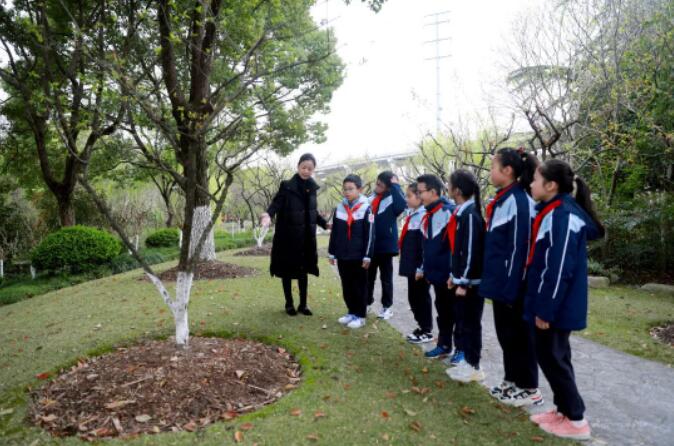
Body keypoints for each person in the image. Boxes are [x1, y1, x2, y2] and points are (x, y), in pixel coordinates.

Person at [525, 159, 604, 441]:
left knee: (554, 359)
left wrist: (546, 310)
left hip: (557, 306)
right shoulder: (551, 211)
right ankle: (563, 411)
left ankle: (577, 420)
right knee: (553, 357)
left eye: (535, 179)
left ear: (551, 185)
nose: (531, 184)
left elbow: (559, 269)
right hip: (551, 302)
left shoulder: (562, 216)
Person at [479, 147, 544, 407]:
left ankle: (529, 387)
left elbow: (520, 248)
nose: (490, 172)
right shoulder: (502, 200)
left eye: (493, 167)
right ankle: (512, 379)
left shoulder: (519, 201)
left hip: (514, 285)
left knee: (520, 336)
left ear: (507, 170)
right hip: (500, 282)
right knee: (506, 334)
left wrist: (512, 286)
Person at [261, 153, 327, 316]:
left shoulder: (312, 188)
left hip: (305, 239)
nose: (306, 171)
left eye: (310, 169)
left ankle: (303, 305)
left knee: (303, 272)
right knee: (287, 271)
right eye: (304, 167)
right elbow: (276, 203)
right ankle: (289, 304)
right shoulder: (287, 186)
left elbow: (313, 212)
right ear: (298, 166)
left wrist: (325, 224)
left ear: (313, 170)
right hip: (288, 238)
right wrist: (268, 214)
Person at [445, 170, 486, 383]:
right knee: (463, 322)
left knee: (471, 324)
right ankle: (468, 363)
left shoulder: (470, 215)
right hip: (463, 280)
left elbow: (470, 251)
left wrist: (463, 281)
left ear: (457, 190)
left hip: (471, 283)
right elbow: (458, 251)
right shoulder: (463, 212)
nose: (447, 187)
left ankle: (474, 366)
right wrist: (454, 275)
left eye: (449, 184)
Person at [415, 174, 457, 360]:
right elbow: (427, 247)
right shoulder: (428, 215)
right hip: (436, 275)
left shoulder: (450, 212)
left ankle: (462, 351)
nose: (419, 196)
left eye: (420, 192)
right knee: (443, 312)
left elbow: (457, 247)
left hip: (450, 277)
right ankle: (444, 345)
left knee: (457, 314)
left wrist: (455, 273)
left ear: (433, 192)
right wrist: (423, 268)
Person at [328, 174, 374, 329]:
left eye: (351, 189)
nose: (347, 192)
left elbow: (370, 234)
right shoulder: (339, 208)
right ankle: (351, 312)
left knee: (359, 286)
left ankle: (360, 316)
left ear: (359, 190)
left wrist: (367, 256)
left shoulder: (366, 208)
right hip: (343, 255)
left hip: (359, 256)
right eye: (345, 189)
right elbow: (335, 232)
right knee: (347, 286)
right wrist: (332, 252)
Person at [367, 171, 406, 320]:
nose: (377, 187)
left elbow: (401, 206)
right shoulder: (371, 198)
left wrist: (395, 185)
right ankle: (367, 303)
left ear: (388, 187)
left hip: (386, 246)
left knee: (386, 279)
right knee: (368, 277)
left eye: (381, 185)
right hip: (371, 245)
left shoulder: (393, 198)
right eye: (376, 183)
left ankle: (386, 307)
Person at [398, 182, 433, 344]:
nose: (406, 199)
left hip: (419, 267)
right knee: (413, 297)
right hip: (411, 265)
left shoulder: (424, 216)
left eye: (409, 196)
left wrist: (421, 267)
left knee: (421, 297)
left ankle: (427, 330)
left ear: (419, 197)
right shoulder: (413, 214)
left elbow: (425, 245)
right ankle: (422, 326)